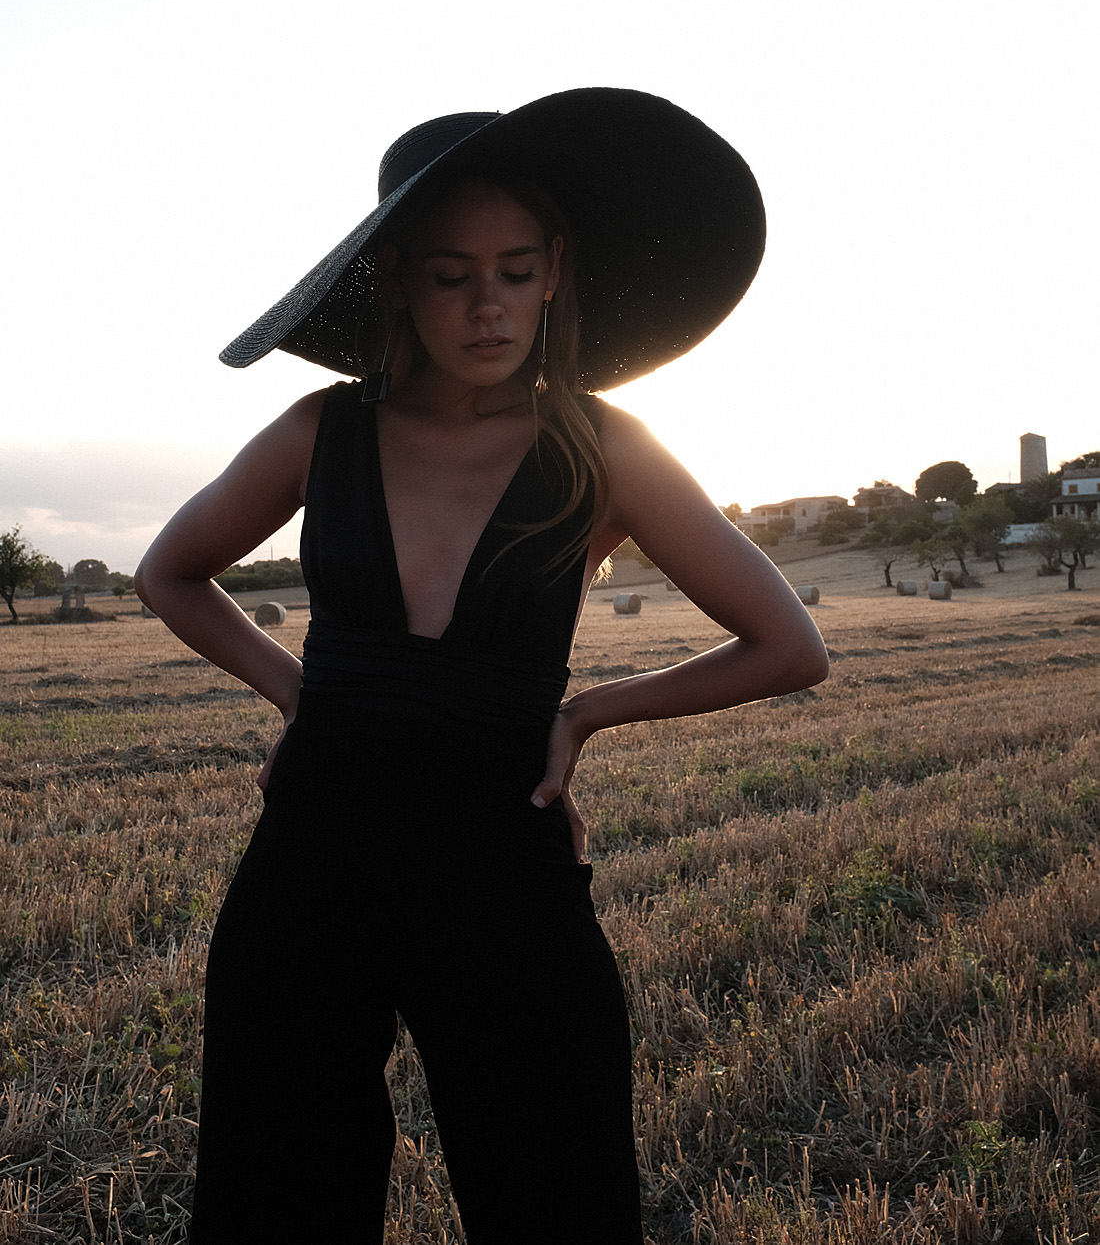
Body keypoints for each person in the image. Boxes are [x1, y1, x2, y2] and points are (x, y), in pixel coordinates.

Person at [135, 87, 828, 1245]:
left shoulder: (604, 447)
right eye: (451, 274)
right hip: (313, 857)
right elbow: (172, 573)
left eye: (512, 269)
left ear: (555, 270)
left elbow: (787, 647)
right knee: (278, 1183)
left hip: (503, 861)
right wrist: (300, 692)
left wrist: (589, 712)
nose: (486, 305)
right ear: (401, 279)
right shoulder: (322, 431)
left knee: (553, 1186)